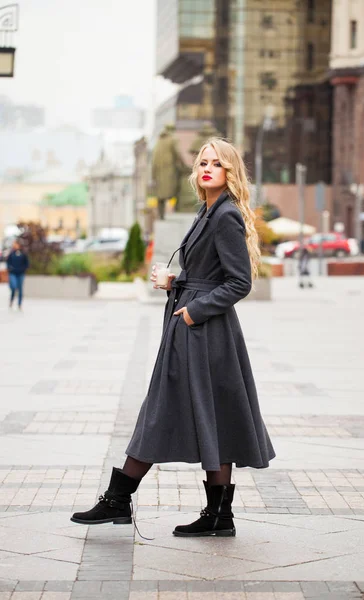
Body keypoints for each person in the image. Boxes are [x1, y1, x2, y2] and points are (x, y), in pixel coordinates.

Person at [71, 138, 276, 537]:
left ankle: (119, 498)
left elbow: (239, 283)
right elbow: (209, 274)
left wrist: (193, 310)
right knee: (211, 414)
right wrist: (175, 282)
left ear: (230, 171)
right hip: (196, 329)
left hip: (202, 331)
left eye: (217, 163)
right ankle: (218, 515)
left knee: (161, 408)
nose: (208, 168)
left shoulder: (226, 215)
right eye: (203, 162)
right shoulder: (208, 211)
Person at [7, 240, 29, 310]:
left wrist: (23, 269)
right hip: (13, 273)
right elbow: (8, 262)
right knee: (13, 287)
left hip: (20, 274)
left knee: (20, 289)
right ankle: (11, 300)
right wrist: (10, 268)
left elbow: (27, 263)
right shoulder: (11, 253)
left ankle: (19, 304)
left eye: (16, 244)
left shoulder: (23, 254)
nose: (14, 245)